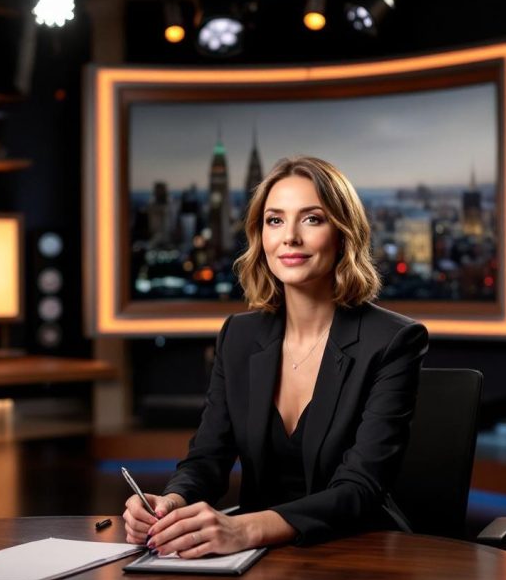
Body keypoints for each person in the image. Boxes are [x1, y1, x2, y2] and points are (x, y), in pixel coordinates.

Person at [123, 156, 429, 556]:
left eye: (312, 219)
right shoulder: (239, 335)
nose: (290, 237)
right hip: (256, 558)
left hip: (359, 551)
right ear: (259, 235)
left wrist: (245, 529)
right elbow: (207, 459)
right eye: (275, 220)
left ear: (343, 233)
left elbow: (360, 489)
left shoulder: (393, 341)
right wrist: (171, 503)